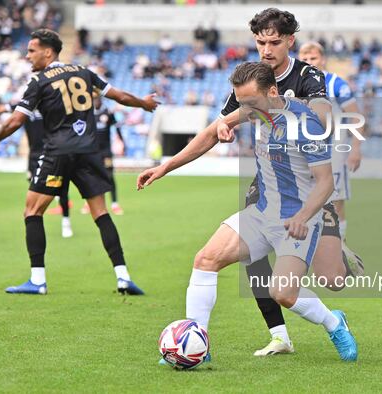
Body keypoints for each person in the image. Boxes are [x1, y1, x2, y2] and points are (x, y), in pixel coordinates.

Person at [137, 8, 363, 357]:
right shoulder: (250, 81)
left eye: (274, 42)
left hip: (306, 194)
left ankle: (334, 318)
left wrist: (276, 111)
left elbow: (322, 116)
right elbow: (216, 129)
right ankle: (203, 342)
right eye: (261, 42)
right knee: (207, 259)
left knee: (325, 281)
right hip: (268, 193)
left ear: (290, 41)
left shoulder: (307, 77)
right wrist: (167, 166)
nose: (267, 49)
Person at [0, 29, 158, 295]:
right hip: (89, 152)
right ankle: (123, 277)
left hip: (57, 152)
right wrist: (144, 104)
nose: (28, 55)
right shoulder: (84, 72)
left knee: (32, 211)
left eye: (32, 50)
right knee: (100, 213)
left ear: (48, 51)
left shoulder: (39, 81)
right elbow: (120, 97)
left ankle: (37, 280)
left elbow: (16, 120)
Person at [0, 100, 74, 238]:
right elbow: (0, 108)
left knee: (61, 189)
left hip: (53, 154)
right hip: (34, 155)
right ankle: (35, 225)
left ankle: (66, 222)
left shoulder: (52, 101)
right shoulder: (27, 104)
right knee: (34, 189)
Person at [298, 42, 365, 242]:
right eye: (305, 59)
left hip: (334, 150)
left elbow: (355, 116)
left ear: (323, 59)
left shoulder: (336, 83)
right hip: (305, 150)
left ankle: (340, 246)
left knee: (335, 200)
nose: (309, 62)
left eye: (313, 58)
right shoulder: (295, 84)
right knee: (302, 198)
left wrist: (355, 148)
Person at [81, 94, 125, 215]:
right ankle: (88, 203)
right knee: (91, 176)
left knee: (109, 176)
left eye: (97, 98)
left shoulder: (108, 113)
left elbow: (117, 127)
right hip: (92, 151)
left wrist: (122, 141)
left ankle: (115, 204)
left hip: (105, 151)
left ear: (101, 99)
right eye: (93, 99)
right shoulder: (88, 113)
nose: (96, 101)